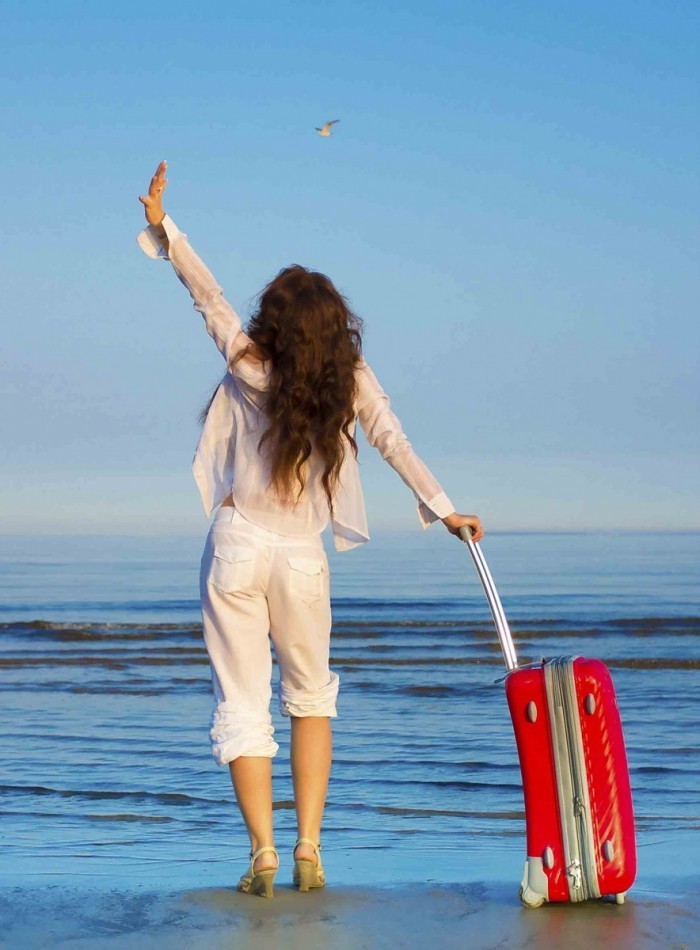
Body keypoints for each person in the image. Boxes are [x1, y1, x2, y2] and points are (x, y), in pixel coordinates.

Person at [137, 160, 484, 898]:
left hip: (235, 546)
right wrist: (444, 508)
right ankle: (307, 848)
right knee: (311, 697)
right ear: (335, 328)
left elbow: (208, 297)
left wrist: (166, 227)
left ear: (273, 321)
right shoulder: (348, 381)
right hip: (299, 558)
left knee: (241, 700)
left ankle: (261, 852)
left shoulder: (247, 362)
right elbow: (393, 439)